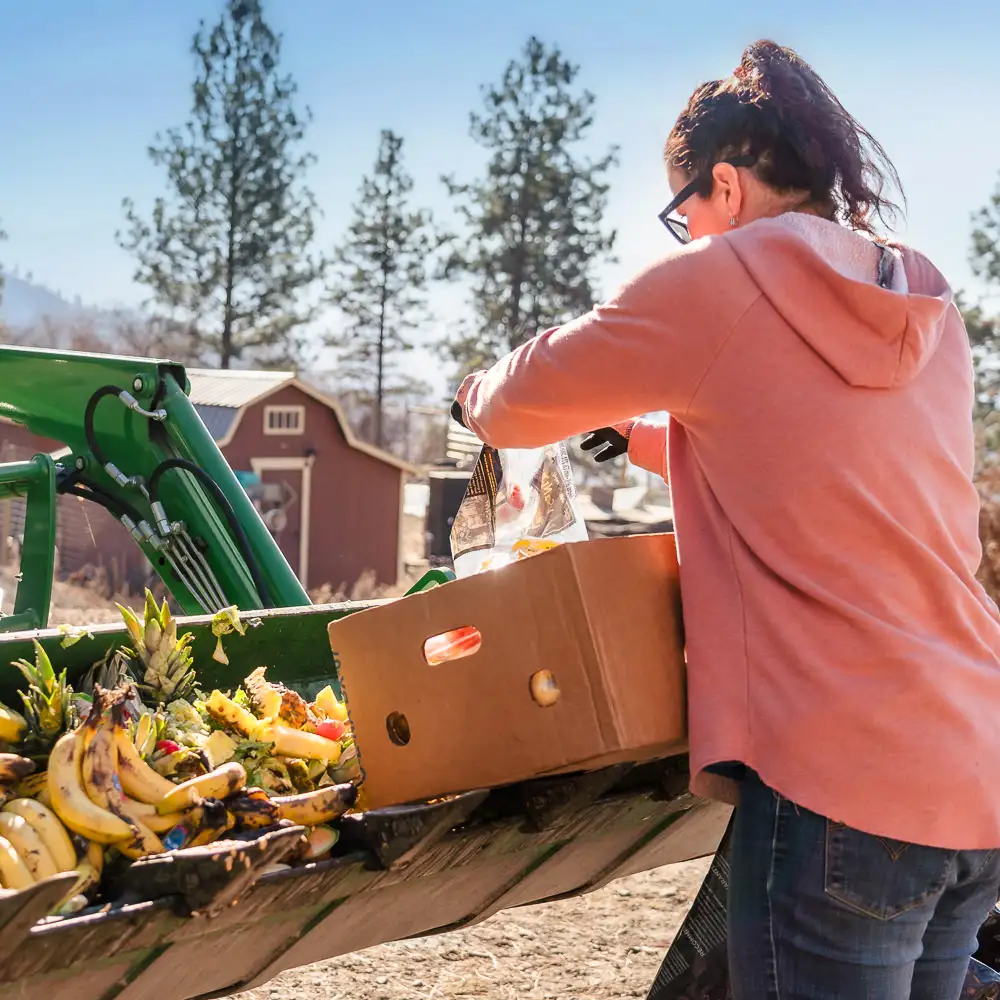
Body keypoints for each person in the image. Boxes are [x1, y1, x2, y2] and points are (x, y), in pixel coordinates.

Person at [450, 39, 1000, 1000]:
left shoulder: (725, 277)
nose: (688, 233)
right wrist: (652, 431)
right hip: (972, 763)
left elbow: (519, 400)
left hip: (845, 787)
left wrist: (475, 396)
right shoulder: (920, 300)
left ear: (729, 188)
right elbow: (827, 457)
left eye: (683, 211)